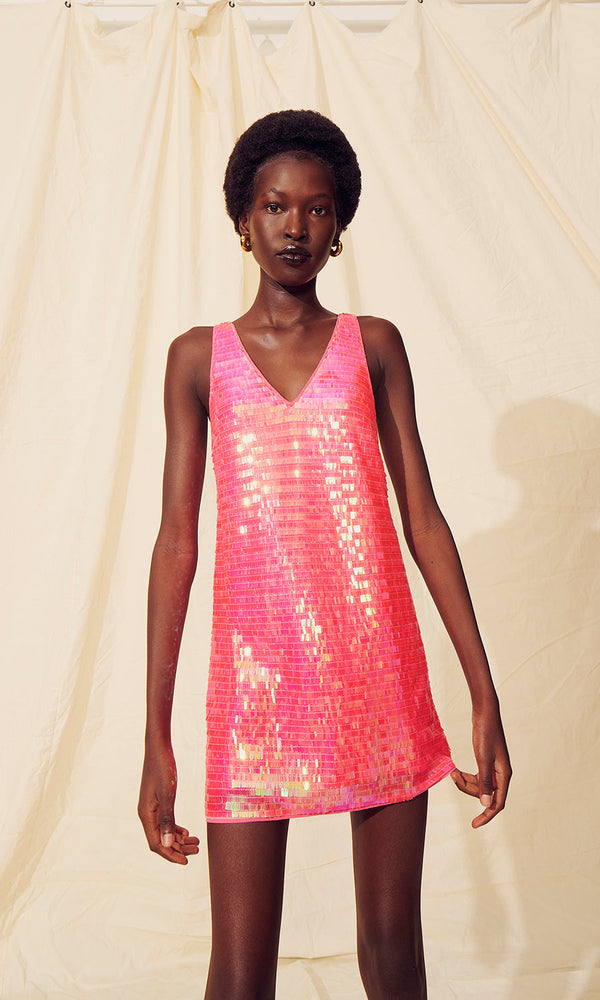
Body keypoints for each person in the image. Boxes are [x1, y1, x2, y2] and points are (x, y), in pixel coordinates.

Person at [138, 109, 512, 1000]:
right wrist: (156, 735)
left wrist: (483, 690)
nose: (295, 226)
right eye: (275, 206)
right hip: (254, 692)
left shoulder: (373, 347)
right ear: (243, 219)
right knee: (239, 978)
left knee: (391, 953)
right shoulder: (197, 360)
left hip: (377, 678)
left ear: (339, 225)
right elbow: (177, 544)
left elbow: (423, 518)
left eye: (316, 209)